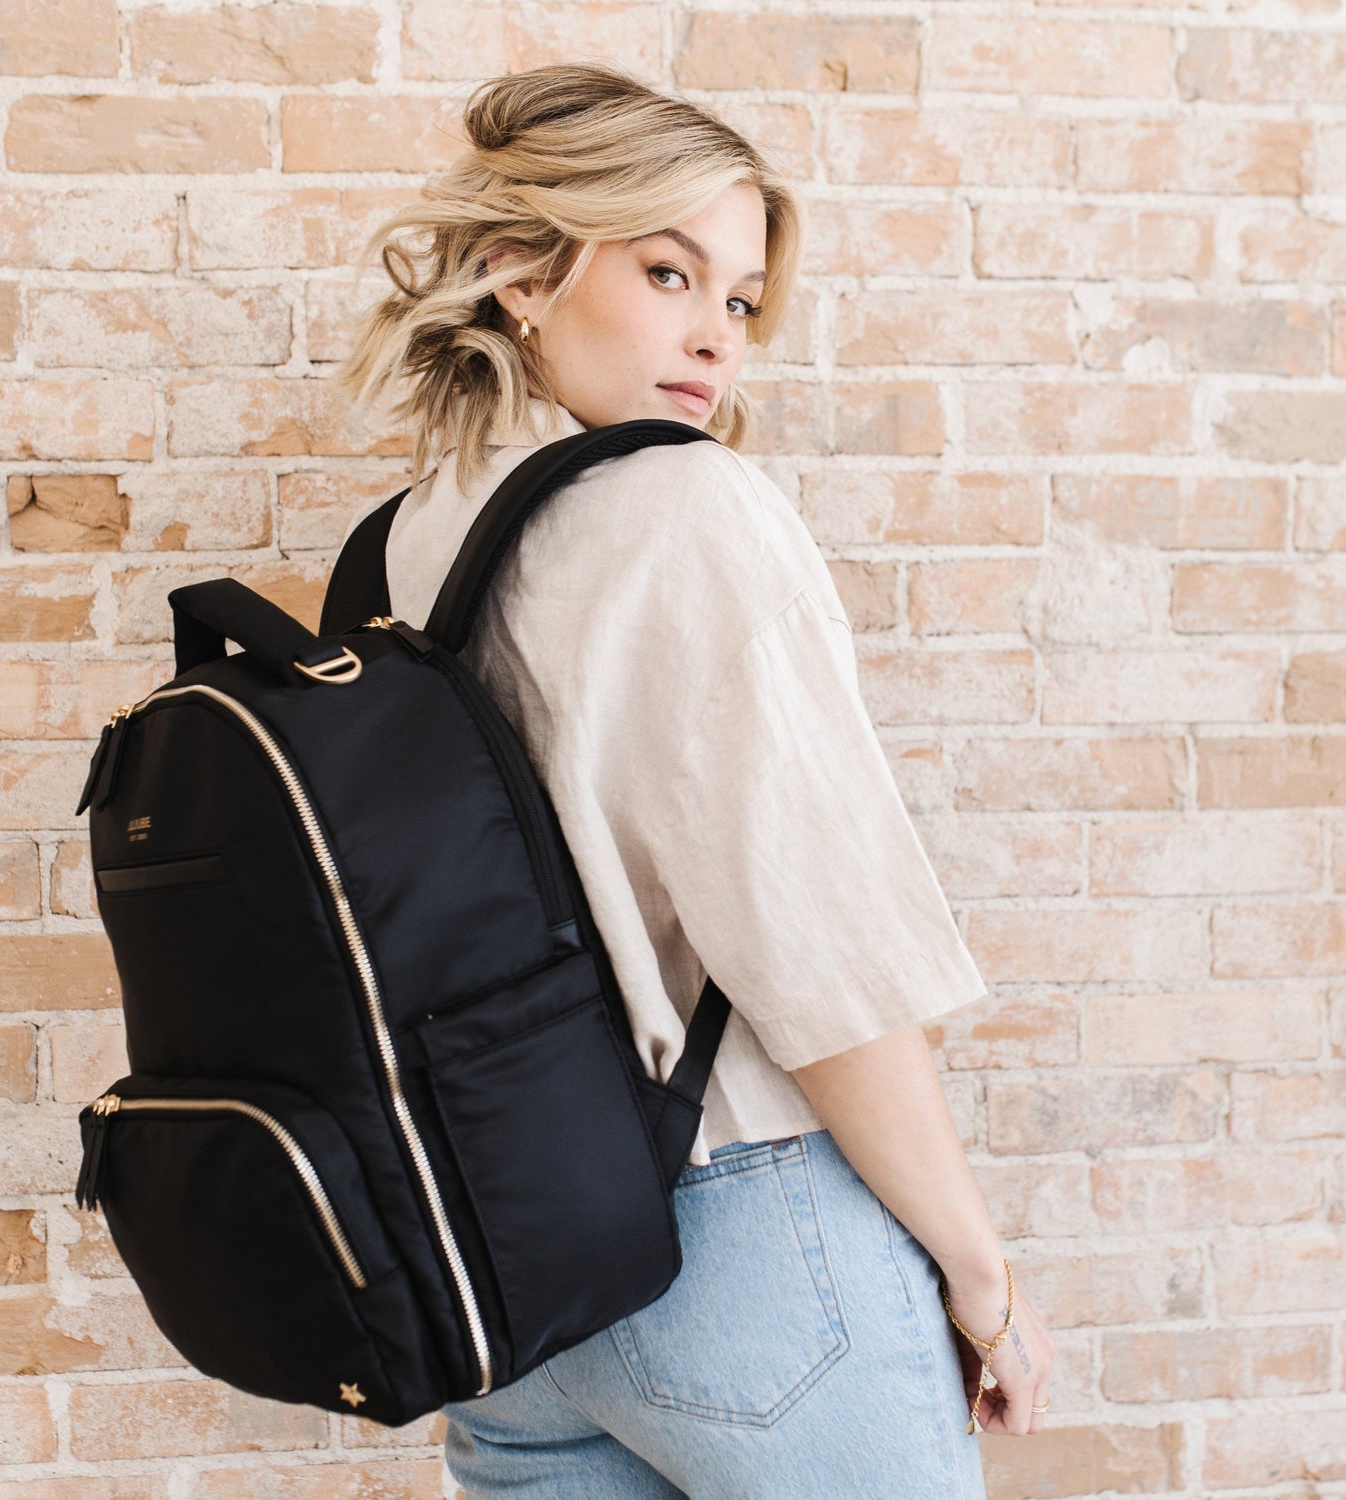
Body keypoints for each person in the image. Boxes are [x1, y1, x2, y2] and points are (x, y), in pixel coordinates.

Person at [332, 61, 1055, 1500]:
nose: (716, 335)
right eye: (668, 272)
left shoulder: (397, 544)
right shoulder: (690, 504)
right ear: (520, 273)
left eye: (738, 298)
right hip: (741, 1239)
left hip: (507, 1268)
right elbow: (823, 955)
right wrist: (983, 1276)